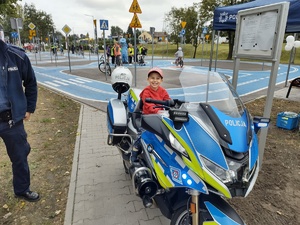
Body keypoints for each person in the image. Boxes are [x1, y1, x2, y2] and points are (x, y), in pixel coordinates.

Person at [0, 24, 40, 202]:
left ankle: (22, 189)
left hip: (11, 120)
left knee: (19, 157)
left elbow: (30, 82)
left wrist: (29, 108)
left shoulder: (16, 56)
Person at [130, 67, 170, 162]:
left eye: (157, 78)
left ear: (161, 80)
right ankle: (134, 152)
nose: (155, 80)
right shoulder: (146, 91)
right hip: (147, 119)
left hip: (160, 118)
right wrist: (158, 111)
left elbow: (168, 100)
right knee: (142, 135)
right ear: (148, 79)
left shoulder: (163, 91)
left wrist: (173, 106)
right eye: (152, 78)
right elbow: (148, 105)